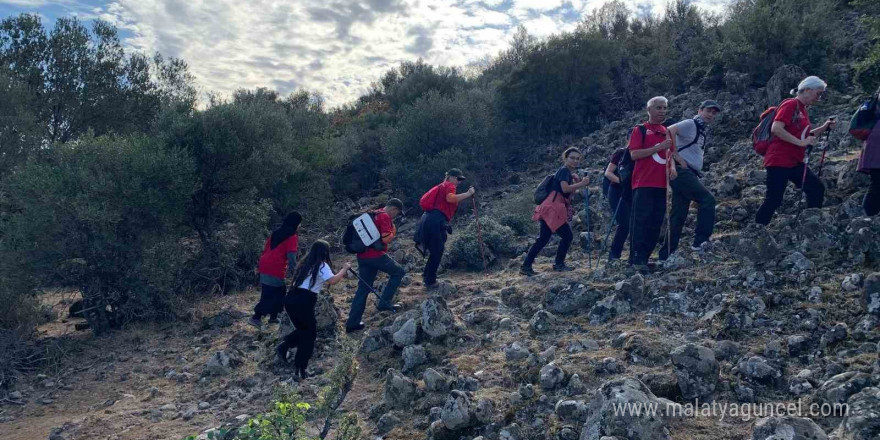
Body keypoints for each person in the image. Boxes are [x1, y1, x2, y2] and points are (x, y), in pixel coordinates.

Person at [755, 76, 836, 225]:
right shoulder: (791, 104)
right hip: (779, 160)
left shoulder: (802, 109)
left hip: (793, 161)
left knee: (816, 188)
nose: (818, 98)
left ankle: (811, 225)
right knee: (774, 199)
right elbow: (777, 128)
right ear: (806, 90)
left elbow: (805, 135)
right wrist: (801, 142)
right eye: (818, 94)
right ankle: (756, 231)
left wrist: (824, 128)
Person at [277, 240, 350, 380]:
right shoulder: (322, 265)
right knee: (309, 336)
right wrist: (344, 269)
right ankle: (300, 369)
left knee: (305, 330)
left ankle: (285, 347)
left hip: (291, 298)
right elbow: (333, 281)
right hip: (305, 300)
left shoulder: (305, 264)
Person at [658, 100, 721, 259]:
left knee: (678, 214)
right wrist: (676, 156)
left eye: (714, 113)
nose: (711, 115)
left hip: (686, 173)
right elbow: (668, 131)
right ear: (699, 110)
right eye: (708, 111)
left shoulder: (700, 130)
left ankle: (666, 255)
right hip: (682, 171)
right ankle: (700, 242)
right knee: (707, 200)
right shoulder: (690, 124)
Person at [521, 147, 590, 276]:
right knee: (567, 236)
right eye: (572, 158)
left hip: (549, 208)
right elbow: (564, 189)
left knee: (543, 238)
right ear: (565, 158)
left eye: (577, 158)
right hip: (552, 209)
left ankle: (526, 266)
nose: (575, 161)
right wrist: (582, 184)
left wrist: (577, 181)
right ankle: (558, 264)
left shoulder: (566, 173)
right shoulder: (564, 171)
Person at [629, 96, 677, 273]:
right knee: (641, 221)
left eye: (664, 108)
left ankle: (646, 257)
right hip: (643, 183)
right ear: (649, 110)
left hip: (662, 185)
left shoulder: (667, 131)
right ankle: (636, 258)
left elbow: (669, 155)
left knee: (656, 223)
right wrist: (658, 147)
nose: (662, 111)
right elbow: (634, 155)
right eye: (658, 108)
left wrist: (672, 168)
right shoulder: (640, 130)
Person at [345, 198, 406, 333]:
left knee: (363, 288)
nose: (395, 216)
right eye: (397, 213)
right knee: (399, 272)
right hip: (376, 256)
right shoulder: (384, 216)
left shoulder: (373, 213)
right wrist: (393, 232)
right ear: (394, 209)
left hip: (362, 256)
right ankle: (384, 303)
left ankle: (352, 323)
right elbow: (385, 238)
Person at [418, 168, 475, 289]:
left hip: (428, 219)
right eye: (458, 179)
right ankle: (430, 281)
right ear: (451, 177)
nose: (459, 182)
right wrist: (468, 194)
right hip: (435, 221)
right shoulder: (449, 185)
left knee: (435, 250)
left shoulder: (441, 186)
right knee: (438, 251)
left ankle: (427, 276)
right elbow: (450, 198)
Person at [249, 212, 301, 328]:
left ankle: (273, 317)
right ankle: (256, 317)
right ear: (296, 223)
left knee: (279, 291)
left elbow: (266, 248)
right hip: (275, 267)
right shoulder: (292, 236)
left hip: (265, 264)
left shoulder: (276, 233)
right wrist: (296, 270)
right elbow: (291, 256)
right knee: (271, 293)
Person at [603, 140, 632, 262]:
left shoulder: (641, 154)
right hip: (616, 191)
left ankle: (632, 254)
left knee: (632, 222)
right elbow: (608, 173)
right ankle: (614, 255)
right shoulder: (621, 152)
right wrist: (621, 182)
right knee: (624, 222)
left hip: (631, 192)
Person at [858, 89, 880, 216]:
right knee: (877, 184)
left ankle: (867, 217)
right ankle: (867, 218)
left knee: (877, 184)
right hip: (877, 144)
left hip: (874, 142)